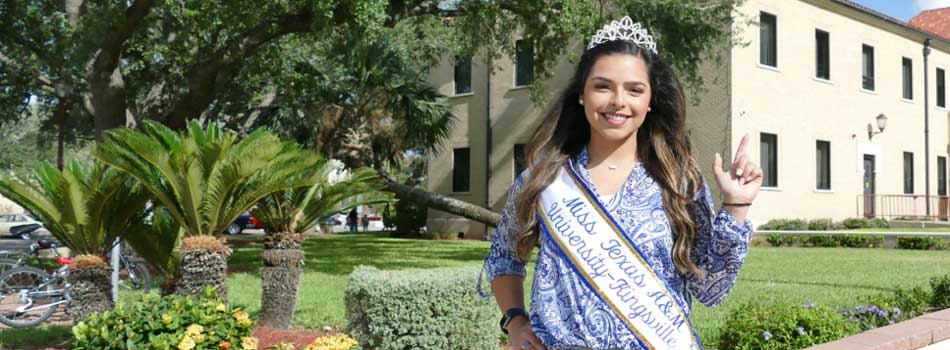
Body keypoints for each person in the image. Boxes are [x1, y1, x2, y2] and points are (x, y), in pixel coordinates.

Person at [480, 17, 762, 350]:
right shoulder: (544, 179)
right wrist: (514, 320)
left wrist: (736, 206)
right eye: (602, 86)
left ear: (650, 100)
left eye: (634, 89)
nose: (618, 100)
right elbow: (504, 257)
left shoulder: (677, 180)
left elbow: (710, 288)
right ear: (582, 95)